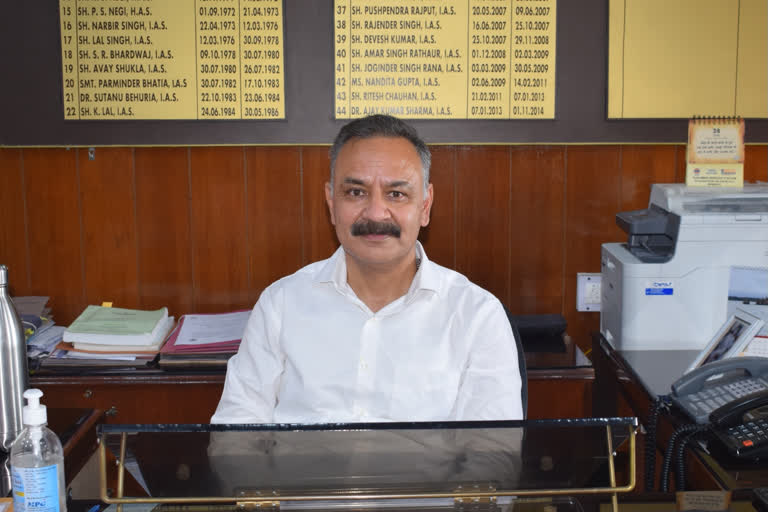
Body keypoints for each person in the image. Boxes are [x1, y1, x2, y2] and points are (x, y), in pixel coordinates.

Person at [210, 114, 522, 424]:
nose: (375, 213)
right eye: (356, 192)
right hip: (297, 476)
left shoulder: (478, 317)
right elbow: (235, 433)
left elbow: (491, 457)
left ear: (424, 206)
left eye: (396, 194)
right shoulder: (280, 304)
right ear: (331, 203)